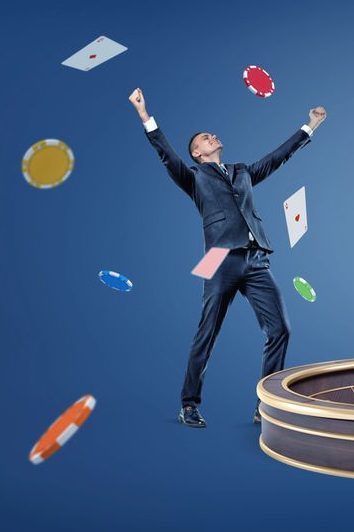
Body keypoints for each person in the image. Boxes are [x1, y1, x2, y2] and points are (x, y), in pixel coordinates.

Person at [127, 87, 327, 428]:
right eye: (205, 138)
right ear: (197, 153)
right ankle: (189, 404)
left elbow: (278, 157)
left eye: (213, 134)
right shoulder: (192, 178)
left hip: (256, 258)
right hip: (217, 257)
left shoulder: (242, 171)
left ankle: (266, 407)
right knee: (207, 332)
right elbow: (166, 155)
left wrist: (310, 126)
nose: (212, 137)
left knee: (280, 329)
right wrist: (144, 114)